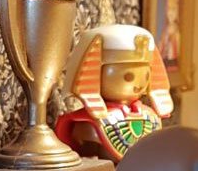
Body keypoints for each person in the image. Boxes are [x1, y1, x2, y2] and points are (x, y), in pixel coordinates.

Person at [55, 24, 173, 161]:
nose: (139, 84)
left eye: (146, 76)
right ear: (96, 74)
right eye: (128, 77)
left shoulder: (150, 116)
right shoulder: (87, 124)